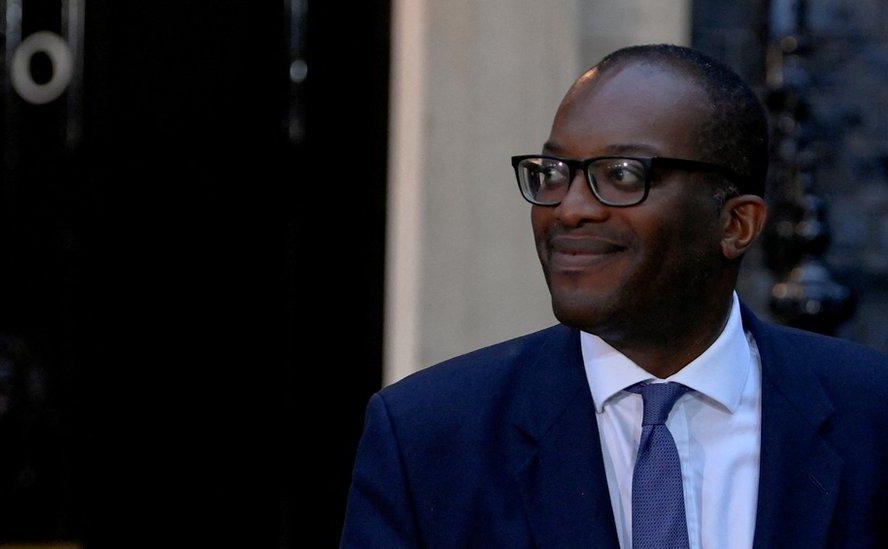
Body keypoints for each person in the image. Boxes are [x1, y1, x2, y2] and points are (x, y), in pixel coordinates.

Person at [339, 44, 888, 548]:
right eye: (553, 173)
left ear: (736, 223)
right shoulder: (431, 436)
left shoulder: (871, 416)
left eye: (622, 175)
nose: (570, 209)